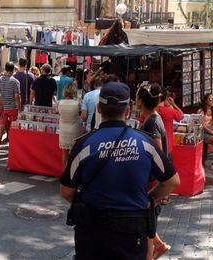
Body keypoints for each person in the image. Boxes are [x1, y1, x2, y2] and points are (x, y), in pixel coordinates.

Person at [60, 82, 180, 259]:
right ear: (128, 111)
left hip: (92, 232)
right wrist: (150, 198)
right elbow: (173, 181)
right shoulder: (145, 143)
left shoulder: (84, 144)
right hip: (132, 233)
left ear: (99, 108)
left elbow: (65, 191)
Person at [136, 83, 171, 259]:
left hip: (149, 177)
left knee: (145, 216)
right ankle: (158, 246)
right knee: (146, 215)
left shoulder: (152, 122)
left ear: (141, 101)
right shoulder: (152, 118)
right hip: (149, 176)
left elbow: (157, 153)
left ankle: (151, 253)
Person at [0, 62, 20, 155]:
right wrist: (19, 108)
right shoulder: (15, 81)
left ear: (5, 68)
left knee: (1, 127)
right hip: (12, 108)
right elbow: (17, 97)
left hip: (1, 108)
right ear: (13, 69)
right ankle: (12, 148)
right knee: (13, 127)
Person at [58, 83, 82, 168]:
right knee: (73, 152)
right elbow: (81, 114)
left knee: (64, 152)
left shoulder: (59, 103)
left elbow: (57, 112)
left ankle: (64, 171)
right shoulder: (77, 103)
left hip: (63, 130)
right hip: (74, 129)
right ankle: (71, 171)